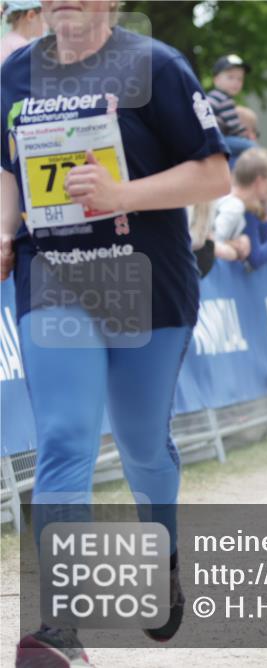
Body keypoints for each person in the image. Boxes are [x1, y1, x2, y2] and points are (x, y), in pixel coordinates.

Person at [1, 1, 231, 663]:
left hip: (146, 281)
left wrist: (121, 195)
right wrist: (4, 230)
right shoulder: (15, 74)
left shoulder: (155, 64)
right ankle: (61, 626)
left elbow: (214, 173)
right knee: (65, 438)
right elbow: (8, 169)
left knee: (142, 445)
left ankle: (163, 555)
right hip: (55, 276)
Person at [214, 147, 267, 271]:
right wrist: (233, 249)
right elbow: (209, 244)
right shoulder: (235, 206)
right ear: (259, 180)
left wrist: (234, 243)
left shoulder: (234, 202)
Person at [207, 53, 255, 163]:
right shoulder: (223, 99)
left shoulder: (212, 96)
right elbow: (234, 127)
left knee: (234, 158)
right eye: (230, 77)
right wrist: (247, 136)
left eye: (240, 79)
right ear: (216, 80)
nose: (236, 82)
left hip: (210, 140)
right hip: (216, 139)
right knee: (253, 147)